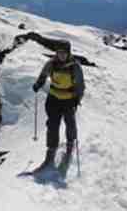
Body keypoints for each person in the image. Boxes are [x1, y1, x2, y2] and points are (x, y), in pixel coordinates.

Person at [32, 40, 85, 171]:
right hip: (53, 99)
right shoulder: (51, 64)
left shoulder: (75, 66)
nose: (61, 55)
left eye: (64, 53)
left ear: (68, 53)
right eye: (59, 52)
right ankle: (50, 153)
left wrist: (77, 98)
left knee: (70, 124)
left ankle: (70, 146)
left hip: (68, 100)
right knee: (52, 125)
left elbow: (80, 85)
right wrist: (39, 83)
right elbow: (43, 74)